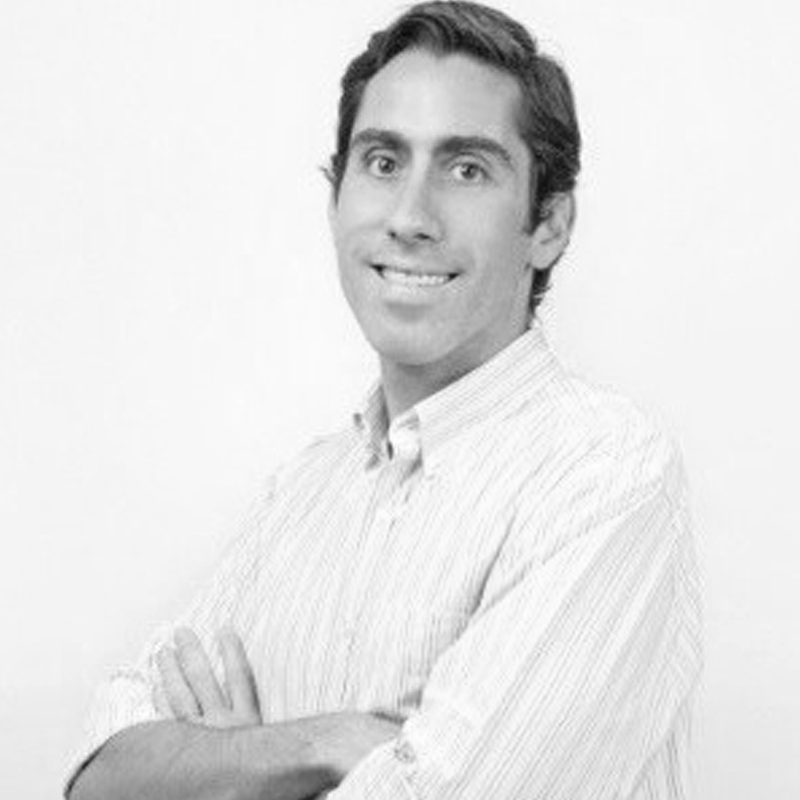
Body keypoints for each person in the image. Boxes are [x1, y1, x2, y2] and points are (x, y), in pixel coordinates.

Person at [67, 2, 702, 798]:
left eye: (466, 170)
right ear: (336, 198)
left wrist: (228, 767)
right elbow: (98, 778)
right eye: (382, 161)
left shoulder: (607, 476)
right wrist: (328, 745)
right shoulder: (302, 495)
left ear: (548, 223)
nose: (410, 217)